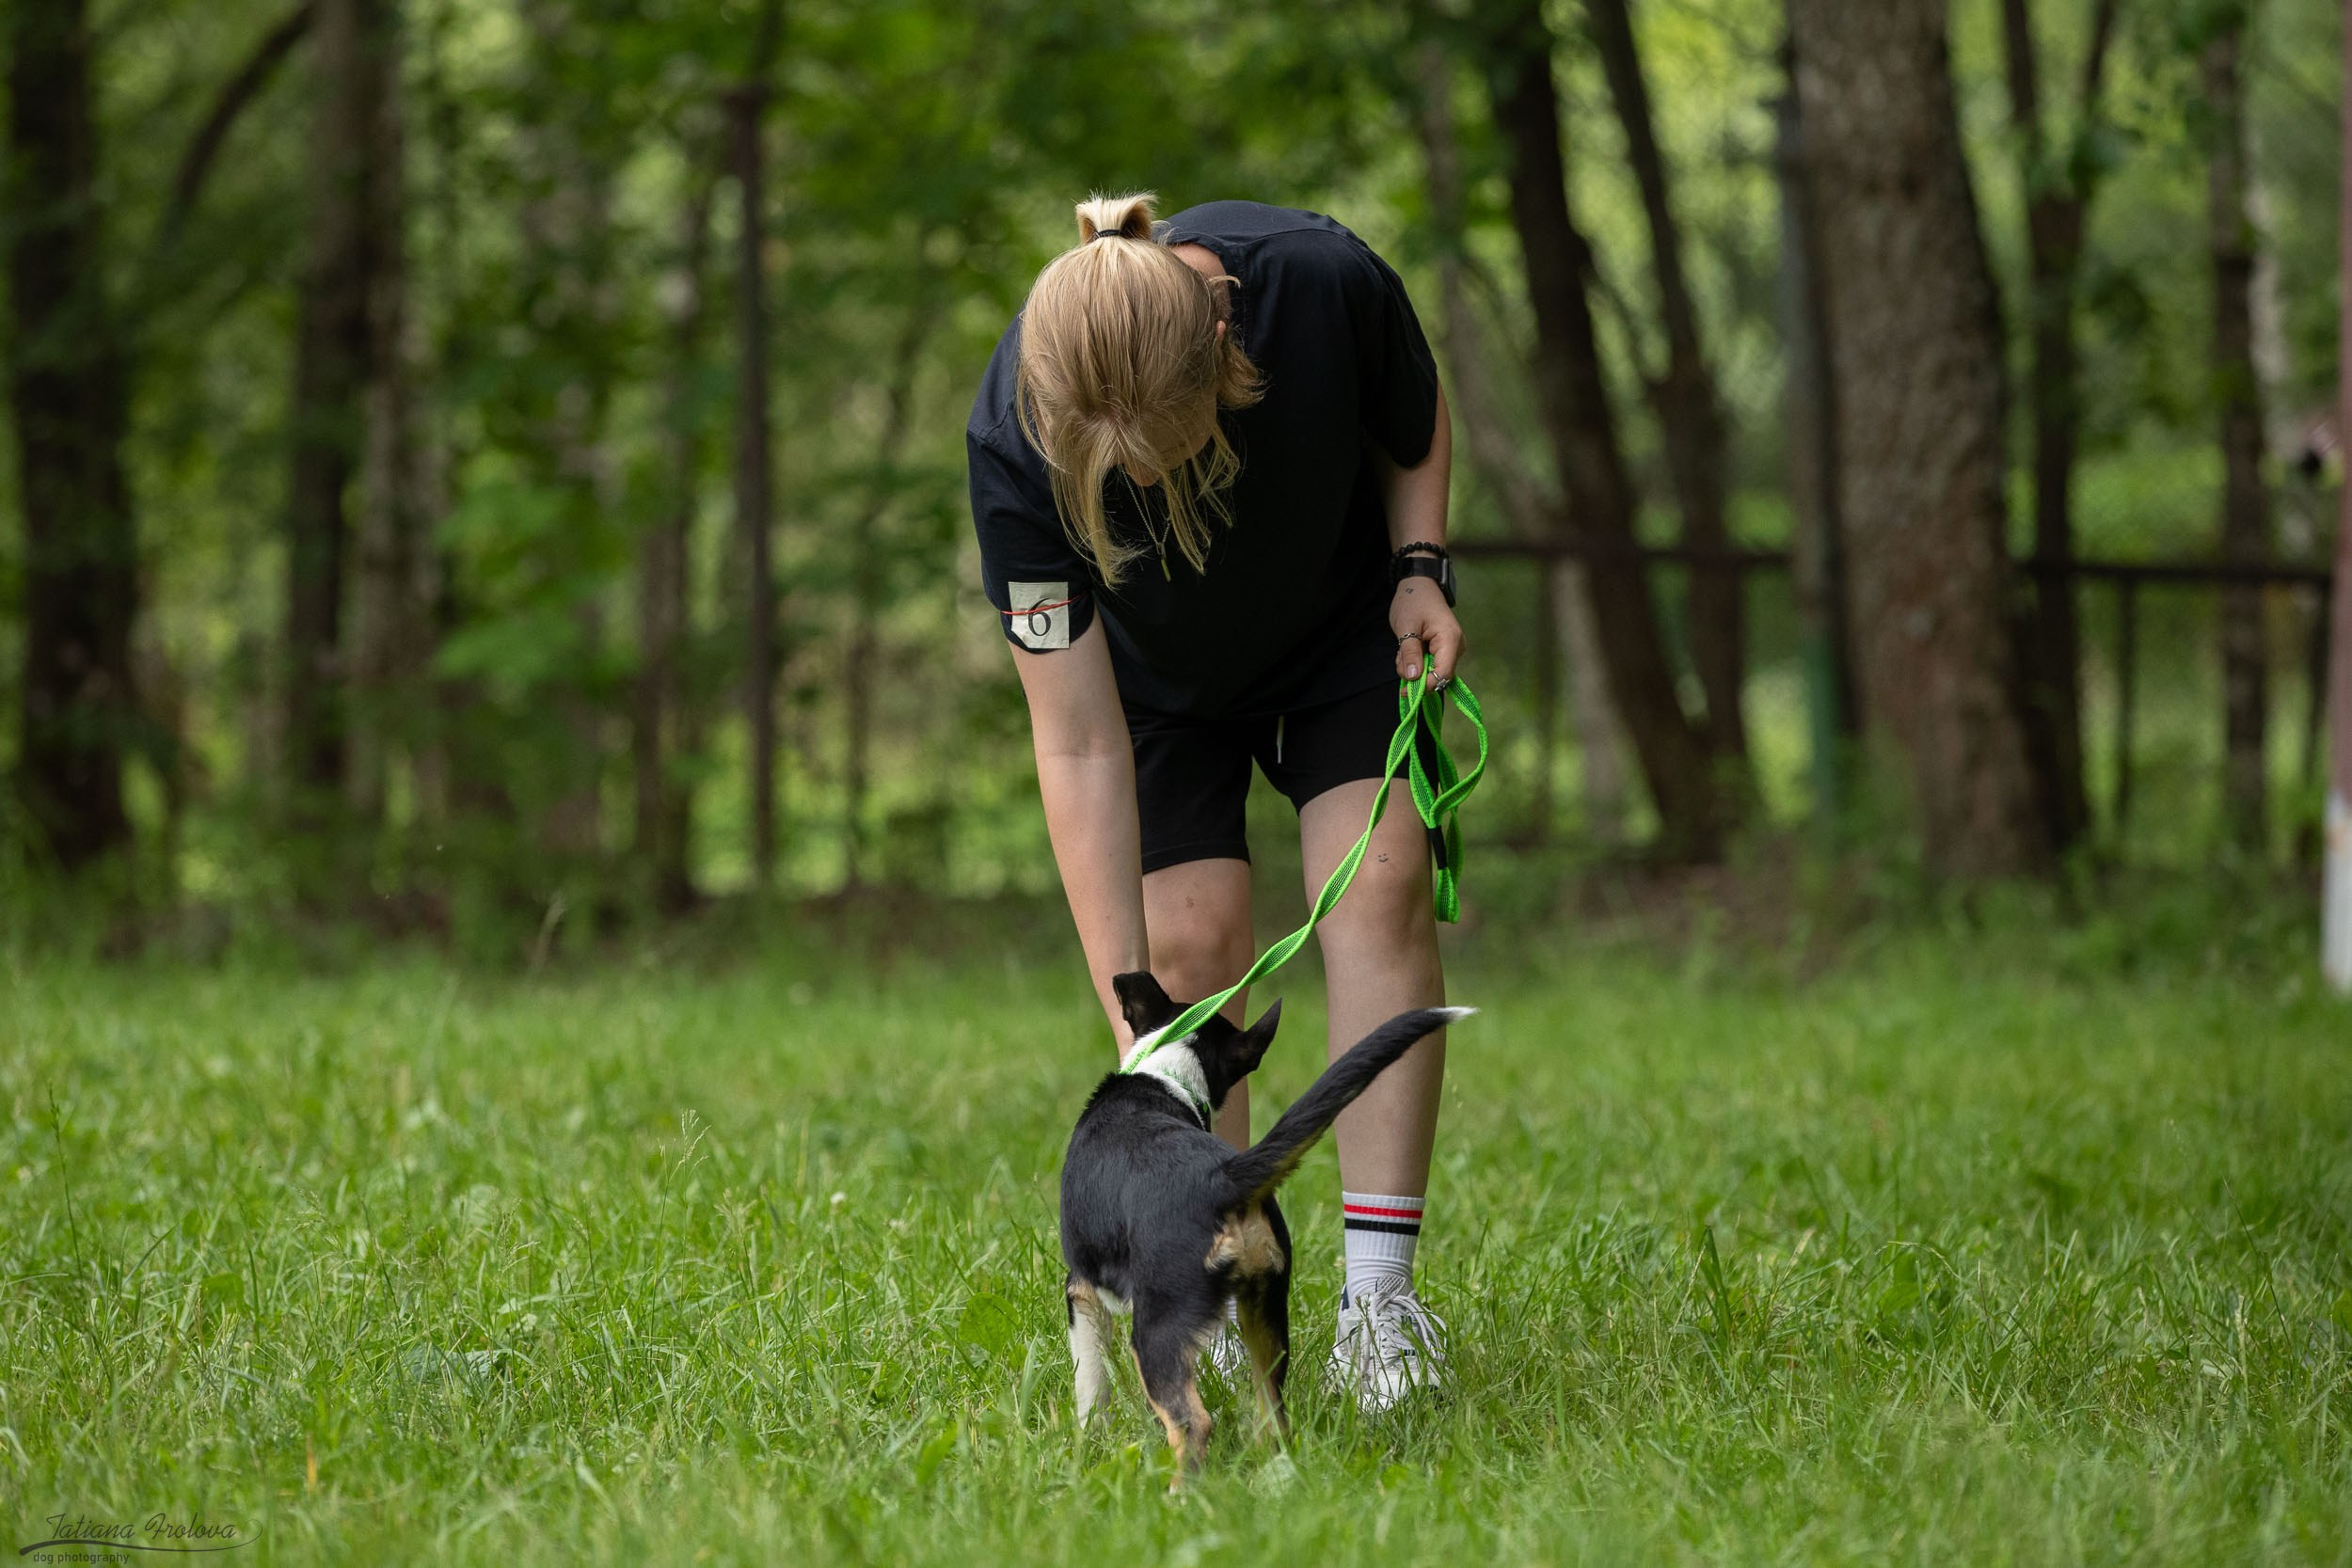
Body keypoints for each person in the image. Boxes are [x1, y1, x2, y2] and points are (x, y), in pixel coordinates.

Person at [966, 193, 1464, 1411]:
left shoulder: (1318, 281)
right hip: (1154, 689)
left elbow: (1414, 420)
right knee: (1189, 949)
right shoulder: (1013, 427)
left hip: (1346, 625)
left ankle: (1379, 1306)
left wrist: (1420, 569)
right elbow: (1077, 743)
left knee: (1382, 885)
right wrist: (1134, 1022)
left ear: (1227, 346)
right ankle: (1227, 1284)